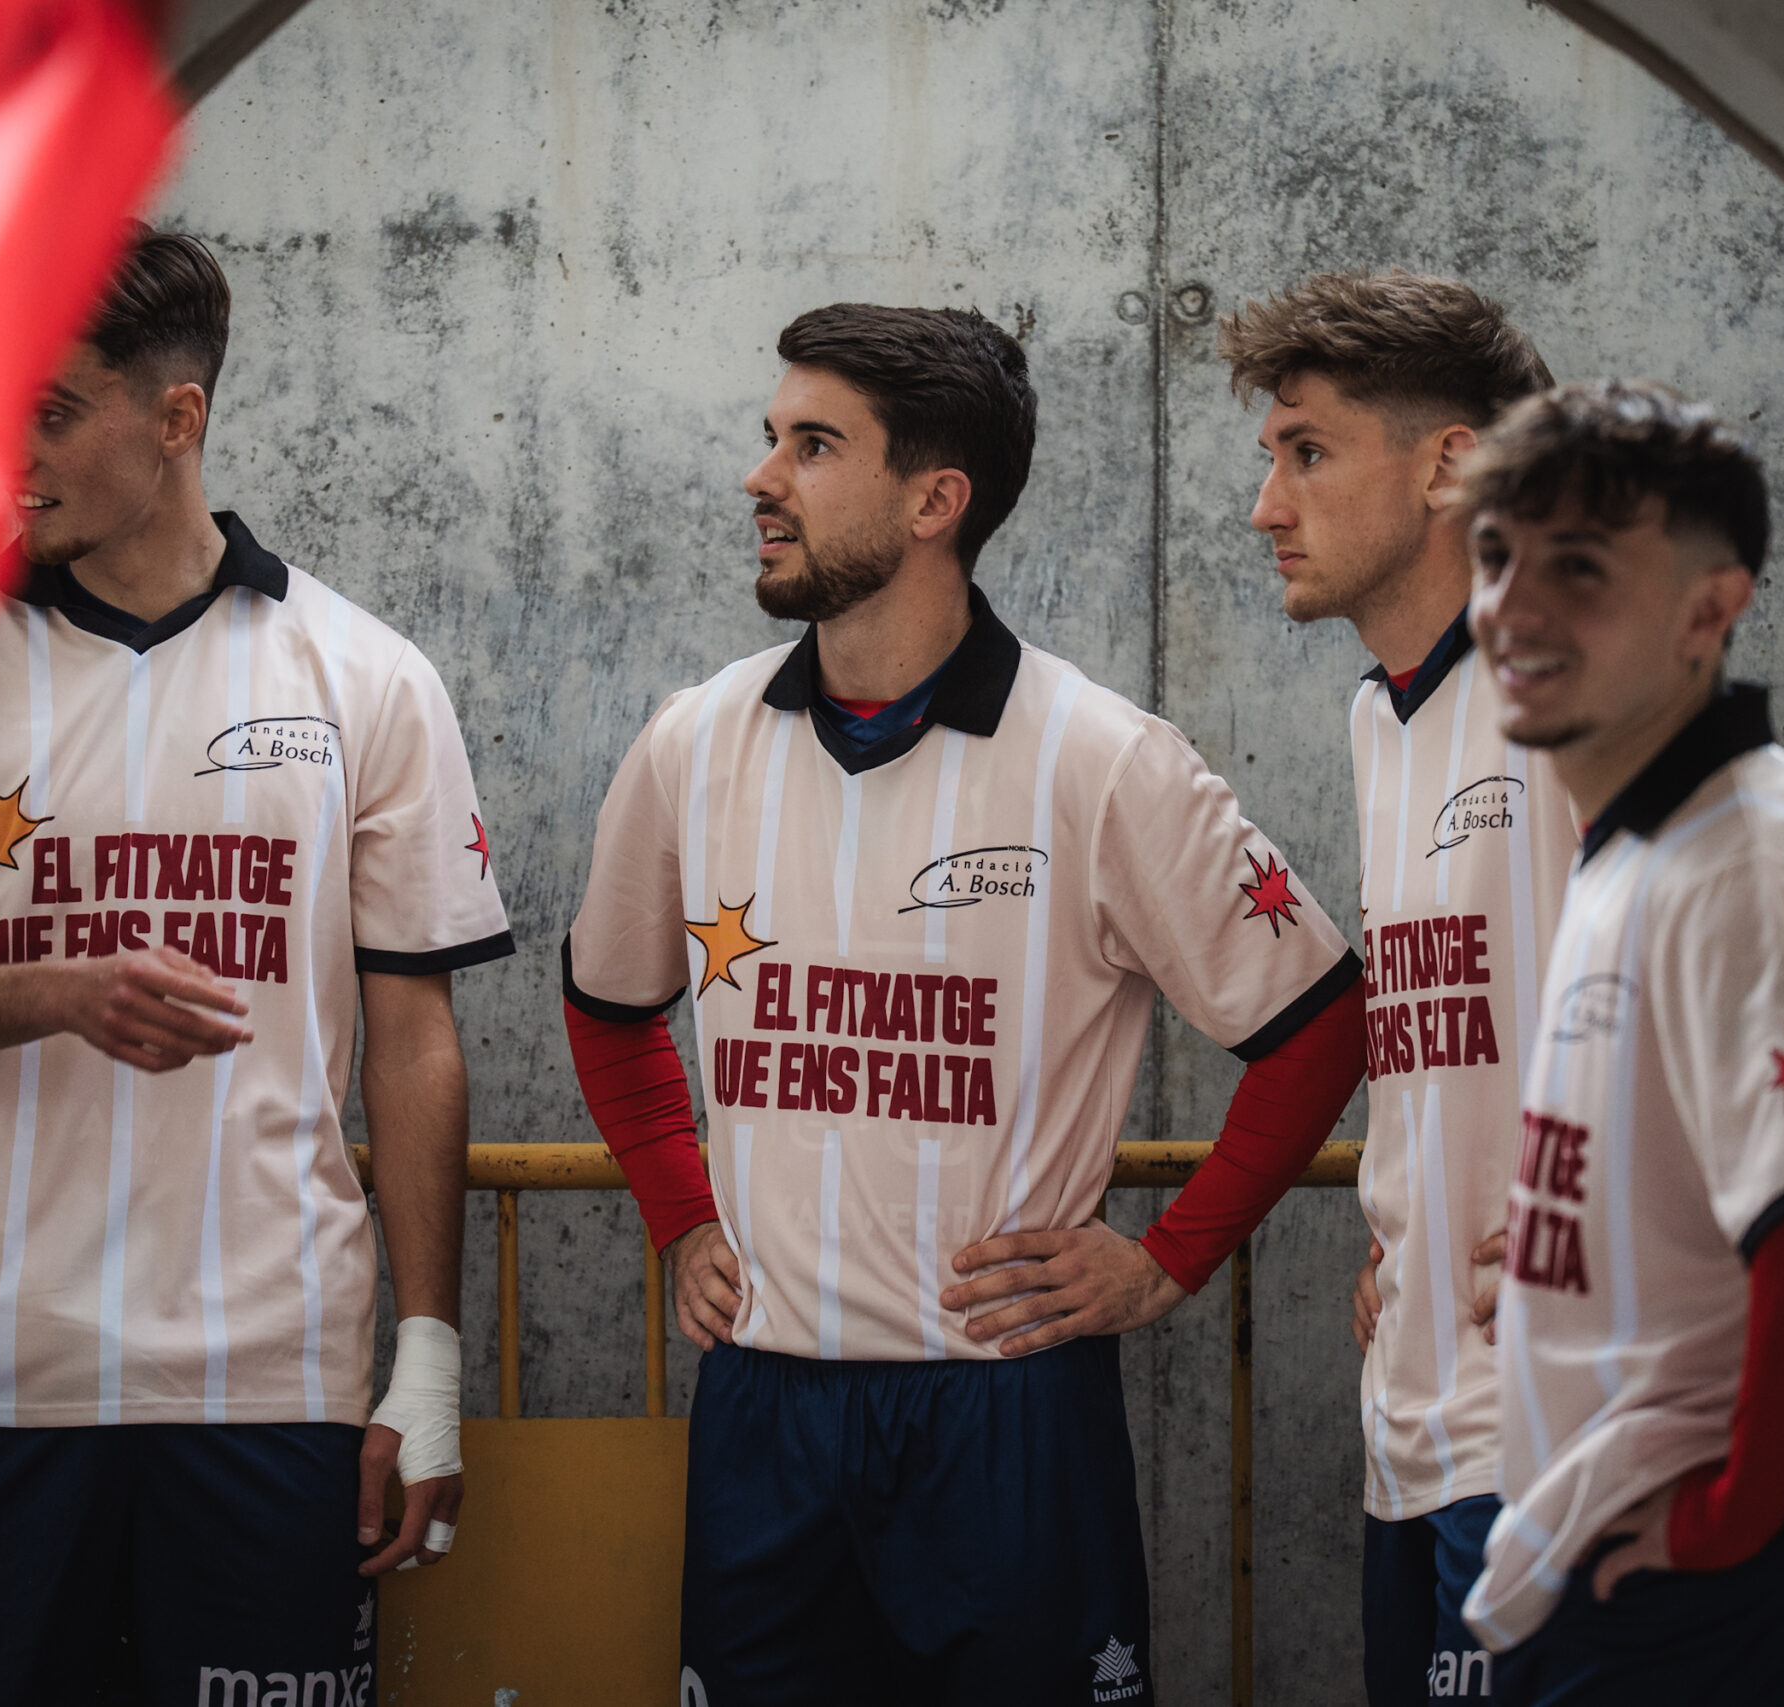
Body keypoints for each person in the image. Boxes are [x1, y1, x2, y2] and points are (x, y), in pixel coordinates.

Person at [562, 303, 1368, 1703]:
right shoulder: (692, 741)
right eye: (772, 438)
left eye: (814, 447)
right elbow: (608, 1004)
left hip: (1005, 1412)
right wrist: (682, 1213)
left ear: (936, 501)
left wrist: (1166, 1261)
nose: (762, 478)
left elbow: (1322, 1022)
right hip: (765, 1404)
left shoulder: (1104, 759)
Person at [0, 227, 514, 1705]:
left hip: (271, 1384)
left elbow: (415, 1044)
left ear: (178, 418)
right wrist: (55, 994)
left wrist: (428, 1364)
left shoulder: (365, 674)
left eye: (53, 411)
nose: (10, 450)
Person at [1455, 380, 1784, 1704]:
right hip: (1623, 1562)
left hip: (1710, 1588)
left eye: (1579, 568)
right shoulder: (1640, 844)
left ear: (1710, 609)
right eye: (1495, 557)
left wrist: (1730, 1519)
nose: (1512, 607)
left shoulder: (1753, 869)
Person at [1217, 270, 1577, 1705]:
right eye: (1271, 458)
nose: (1267, 507)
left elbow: (1773, 1011)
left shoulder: (1580, 682)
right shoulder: (1384, 714)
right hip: (1417, 1425)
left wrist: (1624, 1213)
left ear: (1449, 467)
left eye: (1308, 453)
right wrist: (1412, 1221)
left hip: (1567, 1439)